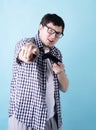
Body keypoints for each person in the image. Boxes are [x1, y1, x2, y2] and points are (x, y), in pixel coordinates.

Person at [8, 13, 69, 130]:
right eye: (50, 30)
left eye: (58, 33)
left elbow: (65, 88)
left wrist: (60, 72)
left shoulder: (57, 53)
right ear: (40, 27)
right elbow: (25, 53)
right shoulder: (24, 43)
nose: (53, 36)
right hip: (25, 118)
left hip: (51, 119)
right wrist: (30, 50)